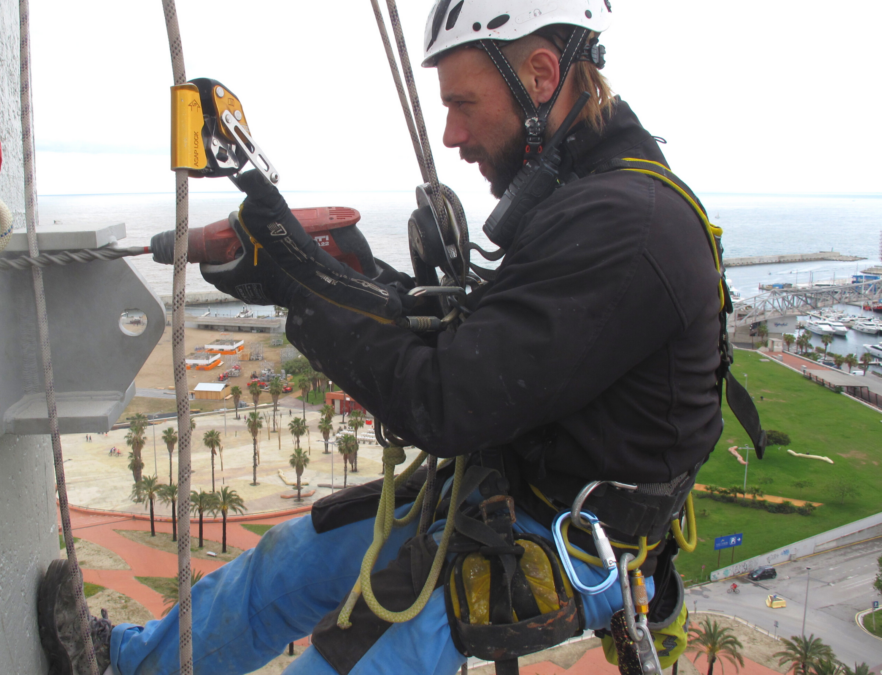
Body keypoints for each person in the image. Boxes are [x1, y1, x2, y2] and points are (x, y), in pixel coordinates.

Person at [38, 1, 761, 673]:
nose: (451, 133)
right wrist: (342, 275)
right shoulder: (586, 194)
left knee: (343, 661)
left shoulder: (624, 225)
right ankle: (130, 663)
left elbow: (447, 402)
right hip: (510, 490)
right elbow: (490, 338)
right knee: (290, 560)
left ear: (541, 75)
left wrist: (298, 286)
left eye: (461, 102)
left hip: (561, 536)